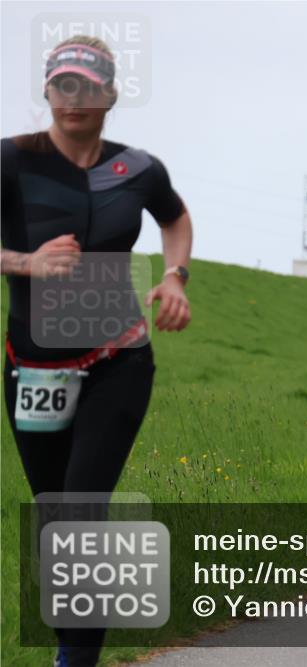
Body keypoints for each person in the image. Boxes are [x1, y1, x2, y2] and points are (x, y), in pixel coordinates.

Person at [1, 36, 192, 667]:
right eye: (62, 85)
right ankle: (72, 642)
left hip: (118, 358)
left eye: (87, 86)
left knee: (82, 504)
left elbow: (174, 216)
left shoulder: (138, 168)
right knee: (56, 512)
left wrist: (174, 276)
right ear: (47, 92)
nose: (74, 98)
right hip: (31, 366)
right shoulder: (10, 162)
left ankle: (75, 659)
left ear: (110, 93)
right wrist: (26, 261)